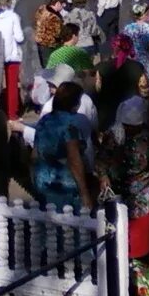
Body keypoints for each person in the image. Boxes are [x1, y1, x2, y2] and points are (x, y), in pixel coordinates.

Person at [97, 95, 149, 261]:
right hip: (116, 193)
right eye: (128, 126)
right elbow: (101, 159)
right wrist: (103, 176)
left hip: (142, 196)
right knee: (116, 237)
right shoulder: (113, 136)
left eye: (134, 126)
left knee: (139, 242)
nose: (131, 129)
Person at [31, 81, 94, 210]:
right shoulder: (71, 124)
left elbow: (34, 155)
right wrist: (85, 193)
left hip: (43, 181)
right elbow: (74, 159)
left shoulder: (44, 120)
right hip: (64, 184)